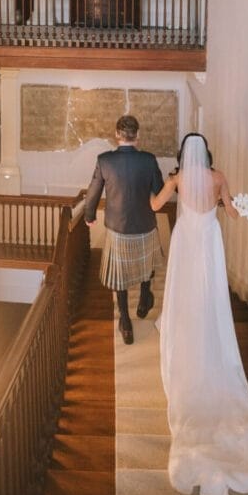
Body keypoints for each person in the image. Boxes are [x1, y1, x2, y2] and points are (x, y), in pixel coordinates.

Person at [151, 132, 248, 495]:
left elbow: (155, 206)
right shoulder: (218, 178)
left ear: (185, 154)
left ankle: (186, 326)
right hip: (208, 236)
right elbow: (230, 212)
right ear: (209, 155)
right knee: (210, 287)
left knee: (184, 285)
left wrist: (161, 188)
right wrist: (245, 207)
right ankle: (210, 326)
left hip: (187, 237)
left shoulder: (177, 179)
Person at [84, 114, 164, 344]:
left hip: (118, 228)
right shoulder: (149, 160)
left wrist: (89, 216)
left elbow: (93, 193)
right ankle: (144, 299)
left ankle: (126, 322)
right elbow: (158, 192)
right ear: (137, 136)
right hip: (146, 223)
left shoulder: (104, 160)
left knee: (120, 276)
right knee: (145, 263)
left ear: (117, 135)